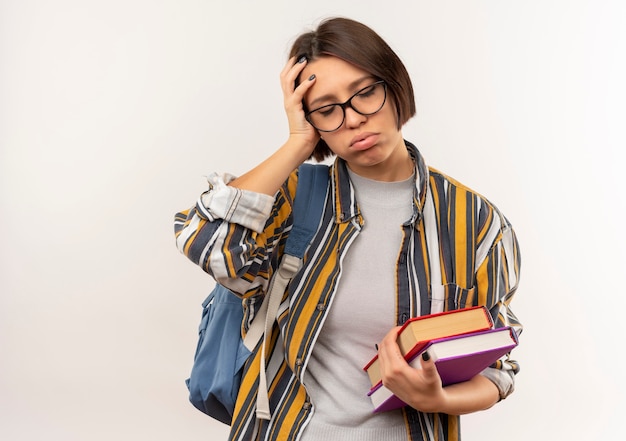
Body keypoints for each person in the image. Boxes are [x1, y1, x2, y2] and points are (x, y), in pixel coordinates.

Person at [174, 17, 522, 441]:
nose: (353, 119)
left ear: (394, 87)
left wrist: (439, 401)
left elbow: (497, 366)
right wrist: (297, 143)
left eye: (365, 93)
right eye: (327, 110)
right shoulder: (295, 196)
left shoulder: (475, 220)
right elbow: (207, 245)